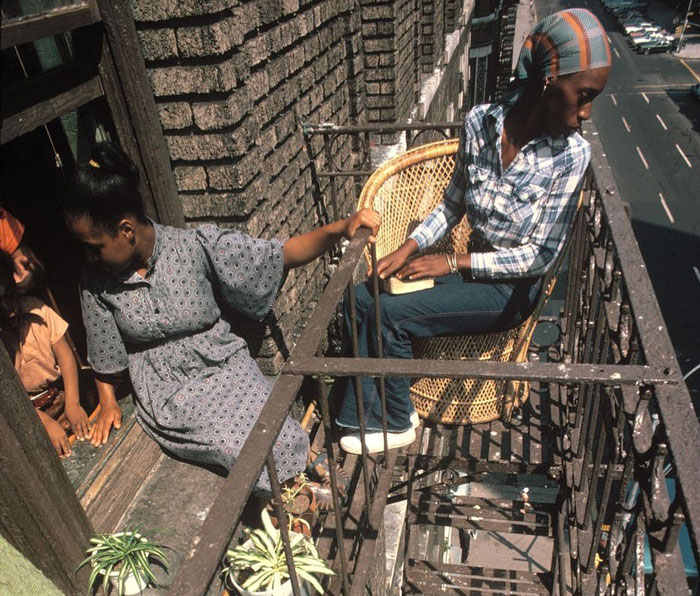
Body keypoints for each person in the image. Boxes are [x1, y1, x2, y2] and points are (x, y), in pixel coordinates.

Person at [337, 8, 611, 454]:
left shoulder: (570, 156)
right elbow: (452, 203)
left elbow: (541, 255)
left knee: (392, 317)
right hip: (473, 269)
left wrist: (452, 260)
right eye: (583, 95)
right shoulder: (480, 123)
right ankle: (369, 408)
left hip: (511, 291)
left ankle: (394, 418)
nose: (586, 112)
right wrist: (410, 246)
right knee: (363, 296)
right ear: (546, 82)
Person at [63, 143, 380, 495]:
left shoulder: (193, 246)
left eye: (95, 246)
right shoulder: (95, 282)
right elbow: (105, 350)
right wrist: (107, 402)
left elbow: (278, 255)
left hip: (222, 360)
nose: (89, 257)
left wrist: (340, 229)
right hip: (168, 388)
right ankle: (292, 494)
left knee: (267, 416)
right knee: (231, 443)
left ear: (126, 230)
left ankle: (303, 458)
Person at [0, 254, 91, 457]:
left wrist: (73, 404)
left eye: (9, 295)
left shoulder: (36, 309)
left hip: (61, 398)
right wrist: (44, 423)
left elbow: (66, 357)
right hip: (27, 417)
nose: (7, 308)